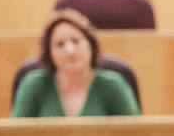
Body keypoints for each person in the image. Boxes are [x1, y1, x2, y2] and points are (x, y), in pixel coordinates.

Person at [11, 9, 139, 118]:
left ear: (91, 45)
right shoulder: (33, 86)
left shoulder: (113, 85)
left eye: (76, 41)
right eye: (60, 44)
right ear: (50, 53)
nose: (70, 51)